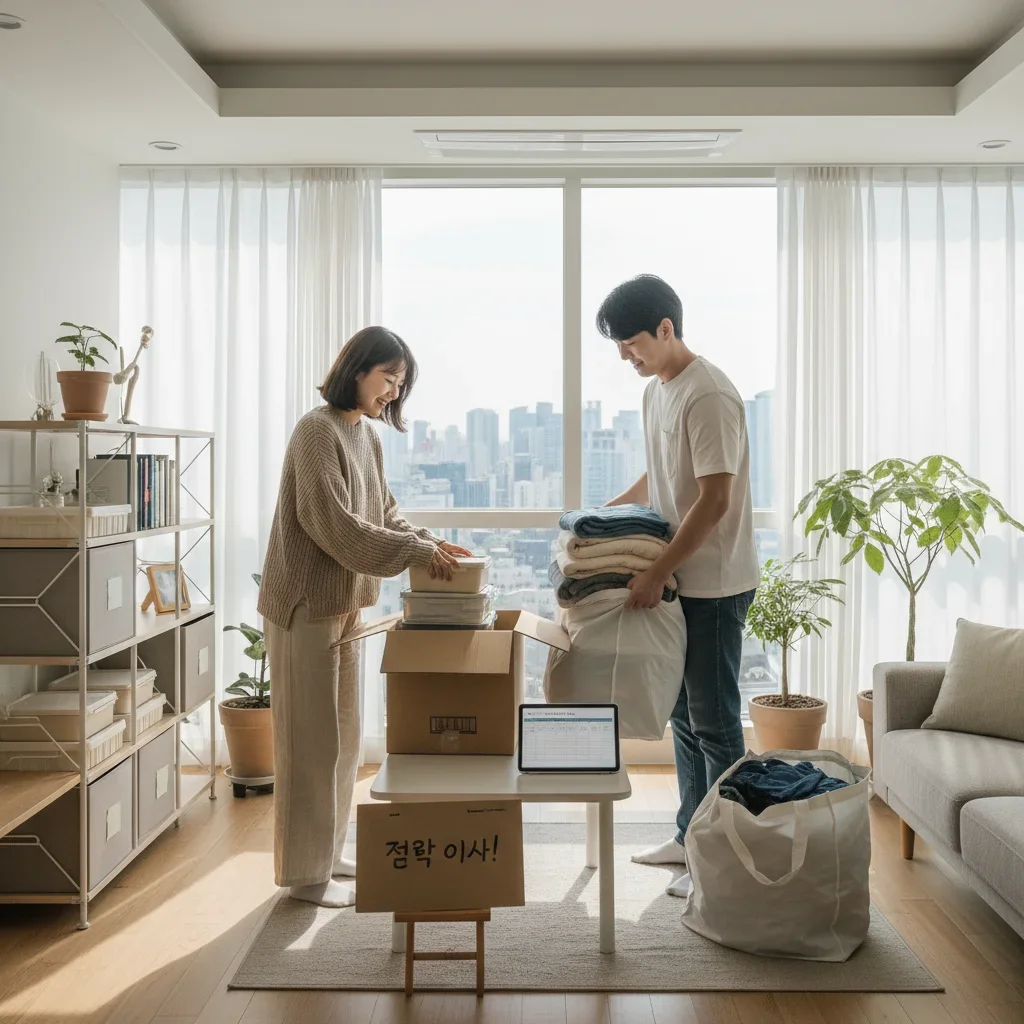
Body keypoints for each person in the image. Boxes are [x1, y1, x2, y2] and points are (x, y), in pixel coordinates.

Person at [257, 326, 471, 908]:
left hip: (346, 603)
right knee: (309, 743)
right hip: (304, 604)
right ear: (357, 370)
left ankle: (326, 853)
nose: (394, 391)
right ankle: (303, 877)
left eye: (401, 383)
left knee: (345, 735)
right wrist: (414, 553)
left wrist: (429, 542)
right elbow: (334, 525)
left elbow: (384, 512)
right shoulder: (316, 432)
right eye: (389, 378)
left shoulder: (365, 438)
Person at [597, 275, 758, 879]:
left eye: (631, 341)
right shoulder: (657, 391)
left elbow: (713, 500)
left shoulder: (709, 394)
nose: (623, 355)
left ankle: (728, 859)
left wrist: (654, 573)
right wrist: (599, 517)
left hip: (713, 583)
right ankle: (691, 838)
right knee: (684, 718)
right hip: (679, 582)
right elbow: (662, 474)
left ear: (666, 329)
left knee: (716, 723)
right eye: (617, 344)